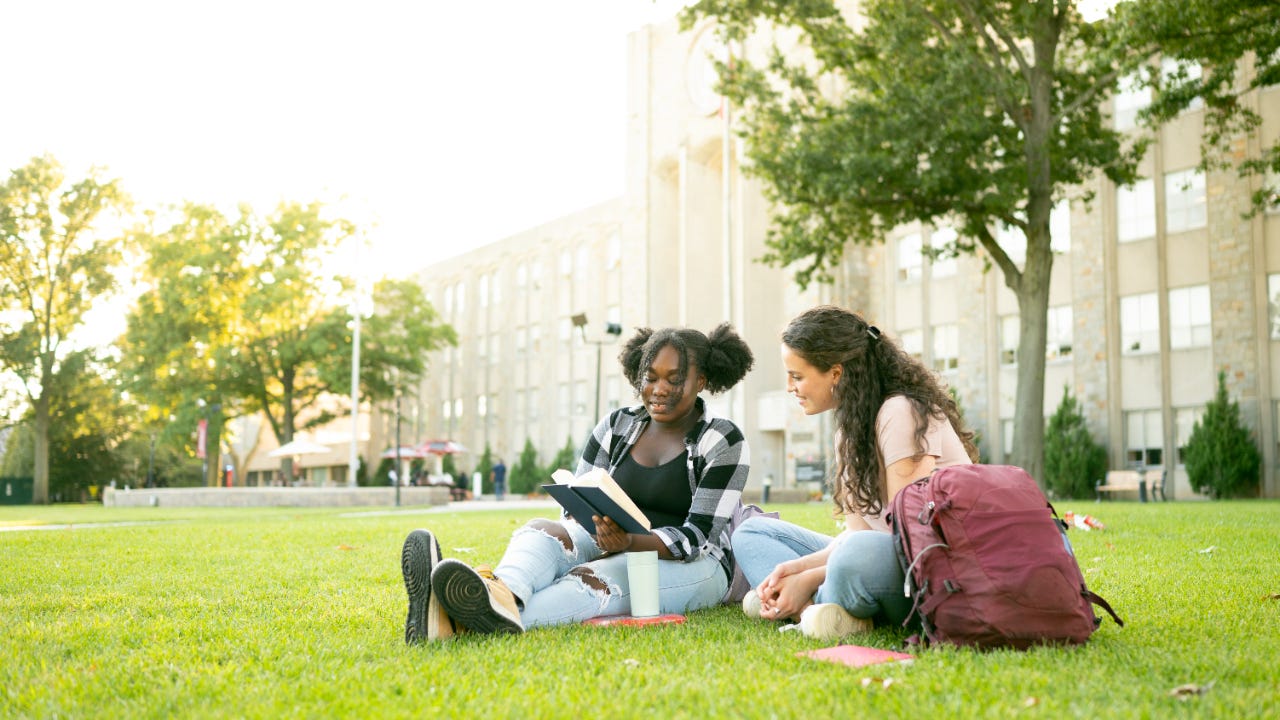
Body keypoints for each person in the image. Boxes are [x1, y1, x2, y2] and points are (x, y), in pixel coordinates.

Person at [400, 323, 755, 642]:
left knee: (594, 577)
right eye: (650, 377)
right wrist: (594, 529)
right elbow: (577, 503)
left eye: (674, 379)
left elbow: (698, 537)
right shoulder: (617, 425)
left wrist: (629, 543)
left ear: (701, 382)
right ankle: (499, 593)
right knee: (543, 530)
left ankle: (454, 618)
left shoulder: (723, 440)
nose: (659, 389)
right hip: (612, 539)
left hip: (695, 566)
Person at [734, 305, 978, 640]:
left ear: (835, 373)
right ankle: (812, 608)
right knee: (751, 533)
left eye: (797, 375)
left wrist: (808, 577)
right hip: (877, 555)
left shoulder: (901, 411)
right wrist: (795, 568)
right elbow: (855, 532)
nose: (790, 387)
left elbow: (910, 540)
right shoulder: (847, 432)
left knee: (853, 557)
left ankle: (807, 601)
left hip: (934, 568)